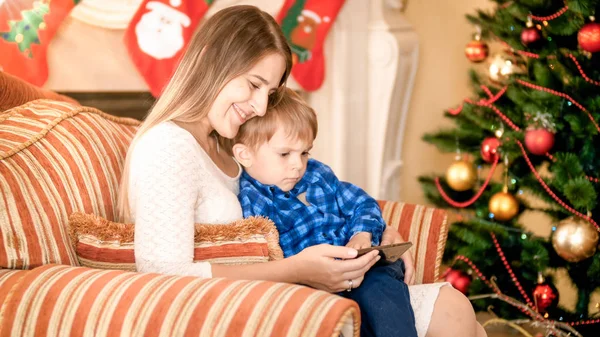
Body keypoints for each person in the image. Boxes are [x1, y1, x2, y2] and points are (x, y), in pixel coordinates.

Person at [118, 5, 487, 337]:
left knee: (459, 312)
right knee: (453, 314)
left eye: (271, 90)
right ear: (210, 62)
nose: (262, 106)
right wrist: (297, 270)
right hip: (252, 309)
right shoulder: (169, 146)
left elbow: (311, 197)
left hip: (295, 293)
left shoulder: (225, 143)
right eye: (253, 84)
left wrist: (378, 232)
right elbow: (162, 274)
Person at [232, 87, 417, 337]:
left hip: (364, 269)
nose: (298, 165)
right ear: (245, 154)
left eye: (305, 152)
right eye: (285, 154)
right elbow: (267, 265)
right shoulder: (252, 203)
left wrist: (362, 234)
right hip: (313, 284)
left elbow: (363, 204)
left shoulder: (318, 174)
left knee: (378, 288)